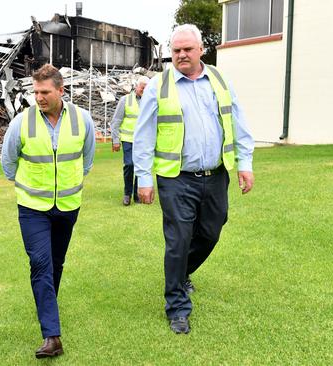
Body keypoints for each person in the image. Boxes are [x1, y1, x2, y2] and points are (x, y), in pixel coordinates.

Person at [132, 24, 254, 334]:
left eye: (188, 49)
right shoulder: (159, 86)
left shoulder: (219, 80)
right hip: (176, 179)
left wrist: (245, 163)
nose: (182, 55)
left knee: (211, 232)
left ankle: (180, 274)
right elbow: (143, 136)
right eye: (176, 51)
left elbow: (237, 121)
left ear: (201, 50)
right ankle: (177, 306)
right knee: (178, 240)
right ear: (170, 54)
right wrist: (144, 179)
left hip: (215, 176)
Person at [1, 64, 95, 358]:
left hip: (68, 206)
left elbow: (87, 160)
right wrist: (31, 188)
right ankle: (51, 336)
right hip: (32, 208)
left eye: (45, 92)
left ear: (60, 91)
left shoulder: (83, 120)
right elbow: (8, 162)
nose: (39, 97)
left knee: (56, 263)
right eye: (36, 91)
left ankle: (46, 305)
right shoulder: (21, 122)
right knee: (40, 264)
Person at [110, 75, 150, 205]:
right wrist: (115, 140)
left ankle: (138, 195)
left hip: (143, 140)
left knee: (141, 166)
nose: (144, 91)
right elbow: (116, 121)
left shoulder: (150, 101)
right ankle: (127, 194)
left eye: (146, 88)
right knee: (130, 164)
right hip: (128, 139)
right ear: (136, 86)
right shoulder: (125, 100)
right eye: (142, 88)